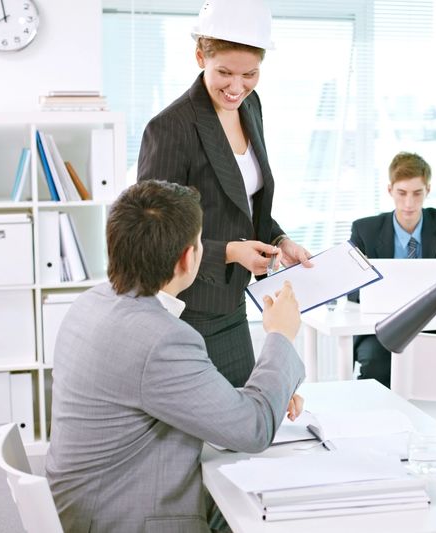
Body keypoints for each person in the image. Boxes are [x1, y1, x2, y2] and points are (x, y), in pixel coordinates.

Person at [45, 180, 306, 533]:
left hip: (98, 500)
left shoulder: (91, 302)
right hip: (129, 516)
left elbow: (180, 397)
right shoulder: (160, 339)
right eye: (200, 242)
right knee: (285, 509)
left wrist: (271, 392)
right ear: (188, 257)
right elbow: (253, 429)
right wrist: (280, 335)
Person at [137, 0, 311, 387]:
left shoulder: (251, 107)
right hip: (186, 308)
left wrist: (279, 240)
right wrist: (231, 252)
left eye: (250, 74)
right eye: (225, 73)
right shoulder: (170, 128)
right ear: (200, 55)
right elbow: (152, 234)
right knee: (205, 436)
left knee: (243, 428)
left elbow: (242, 201)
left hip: (231, 302)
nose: (237, 87)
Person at [349, 152, 436, 387]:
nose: (409, 203)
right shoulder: (365, 230)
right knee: (376, 364)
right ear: (390, 190)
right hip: (381, 330)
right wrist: (391, 299)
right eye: (402, 193)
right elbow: (352, 290)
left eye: (417, 193)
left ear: (428, 190)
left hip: (435, 326)